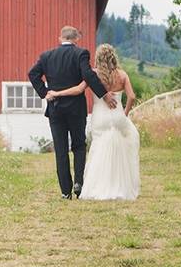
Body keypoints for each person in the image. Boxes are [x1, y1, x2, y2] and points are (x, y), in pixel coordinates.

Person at [28, 26, 116, 199]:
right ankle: (78, 183)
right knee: (78, 145)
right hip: (76, 108)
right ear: (76, 38)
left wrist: (45, 93)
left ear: (60, 37)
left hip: (55, 108)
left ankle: (65, 191)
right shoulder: (81, 53)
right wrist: (104, 95)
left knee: (61, 149)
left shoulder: (47, 56)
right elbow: (89, 76)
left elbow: (32, 74)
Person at [45, 43, 140, 201]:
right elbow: (131, 96)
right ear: (113, 57)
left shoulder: (93, 74)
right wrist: (125, 113)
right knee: (119, 150)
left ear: (98, 58)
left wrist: (57, 93)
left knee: (98, 149)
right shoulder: (122, 75)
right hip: (118, 116)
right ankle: (119, 185)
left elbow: (78, 90)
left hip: (100, 117)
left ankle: (98, 186)